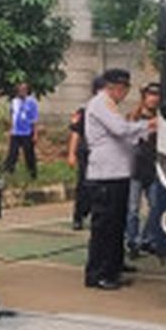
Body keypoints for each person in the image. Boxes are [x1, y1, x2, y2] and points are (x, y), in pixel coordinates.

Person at [84, 68, 157, 290]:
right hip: (106, 173)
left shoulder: (111, 105)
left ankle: (113, 266)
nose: (124, 94)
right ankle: (98, 273)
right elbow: (120, 129)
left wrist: (144, 130)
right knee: (105, 226)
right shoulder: (100, 103)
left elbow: (127, 134)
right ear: (114, 87)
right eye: (123, 89)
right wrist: (148, 125)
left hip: (118, 172)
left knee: (117, 224)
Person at [126, 83, 162, 259]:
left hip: (153, 168)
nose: (154, 98)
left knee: (156, 206)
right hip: (135, 168)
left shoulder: (162, 118)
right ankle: (132, 241)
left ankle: (147, 239)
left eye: (157, 95)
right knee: (133, 209)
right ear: (144, 96)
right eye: (151, 94)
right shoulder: (134, 117)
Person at [68, 75, 106, 230]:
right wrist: (71, 153)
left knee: (99, 187)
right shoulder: (85, 110)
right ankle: (78, 216)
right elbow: (76, 133)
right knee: (83, 186)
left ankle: (94, 214)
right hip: (86, 153)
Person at [3, 81, 38, 178]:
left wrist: (35, 133)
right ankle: (8, 170)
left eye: (24, 89)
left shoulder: (32, 102)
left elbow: (34, 119)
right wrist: (10, 129)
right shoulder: (14, 101)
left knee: (29, 153)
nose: (22, 91)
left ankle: (32, 172)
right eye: (20, 89)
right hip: (16, 132)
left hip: (27, 132)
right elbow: (12, 115)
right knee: (12, 152)